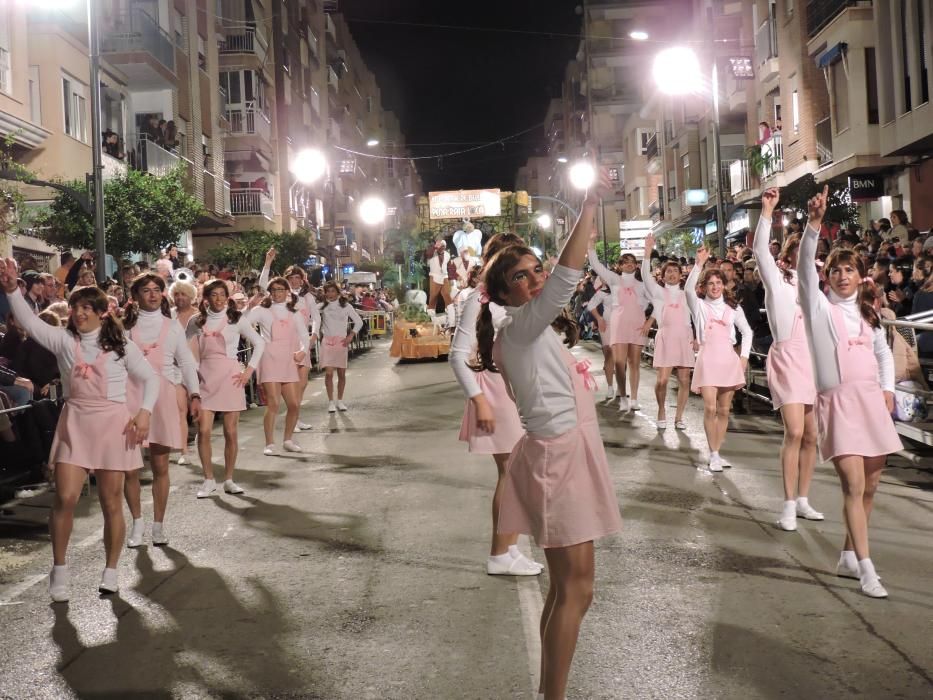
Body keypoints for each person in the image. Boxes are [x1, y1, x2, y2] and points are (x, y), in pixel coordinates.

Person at [474, 170, 621, 700]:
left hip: (566, 453)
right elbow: (567, 278)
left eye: (537, 269)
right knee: (576, 589)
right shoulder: (523, 328)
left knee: (566, 589)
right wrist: (587, 206)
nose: (537, 278)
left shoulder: (525, 332)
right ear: (502, 292)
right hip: (558, 460)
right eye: (523, 275)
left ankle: (546, 692)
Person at [0, 259, 159, 601]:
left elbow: (149, 379)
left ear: (102, 313)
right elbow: (28, 320)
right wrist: (13, 289)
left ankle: (111, 570)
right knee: (66, 497)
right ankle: (59, 570)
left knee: (110, 501)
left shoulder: (121, 346)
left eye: (87, 308)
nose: (79, 313)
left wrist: (143, 413)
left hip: (113, 425)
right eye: (75, 307)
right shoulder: (61, 341)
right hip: (75, 422)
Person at [798, 186, 902, 599]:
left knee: (871, 488)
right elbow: (806, 269)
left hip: (871, 405)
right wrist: (813, 225)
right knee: (854, 488)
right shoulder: (818, 308)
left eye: (850, 270)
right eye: (836, 270)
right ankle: (867, 569)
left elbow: (885, 354)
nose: (843, 276)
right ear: (828, 277)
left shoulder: (868, 314)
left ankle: (847, 554)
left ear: (861, 276)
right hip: (838, 406)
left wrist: (888, 389)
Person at [449, 232, 543, 577]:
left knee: (518, 475)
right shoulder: (481, 297)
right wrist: (479, 402)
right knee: (513, 474)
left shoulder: (522, 295)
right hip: (495, 391)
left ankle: (509, 547)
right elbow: (458, 357)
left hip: (516, 390)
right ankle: (500, 553)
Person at [753, 188, 822, 531]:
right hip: (786, 357)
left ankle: (805, 499)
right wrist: (767, 211)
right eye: (795, 252)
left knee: (811, 436)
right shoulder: (776, 283)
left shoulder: (813, 287)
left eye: (807, 254)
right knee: (794, 431)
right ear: (787, 256)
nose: (802, 258)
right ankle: (788, 505)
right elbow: (758, 250)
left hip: (811, 359)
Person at [121, 273, 201, 547]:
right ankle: (137, 523)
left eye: (157, 290)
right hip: (131, 397)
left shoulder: (173, 327)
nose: (153, 294)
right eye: (146, 290)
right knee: (129, 468)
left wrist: (195, 393)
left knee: (160, 465)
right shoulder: (124, 328)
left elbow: (187, 363)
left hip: (164, 396)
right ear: (136, 296)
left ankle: (158, 525)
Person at [189, 280, 265, 497]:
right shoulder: (197, 321)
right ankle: (208, 480)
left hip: (231, 377)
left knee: (230, 432)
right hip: (205, 378)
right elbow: (182, 348)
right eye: (214, 294)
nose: (219, 299)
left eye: (222, 294)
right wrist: (193, 370)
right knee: (203, 431)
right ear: (206, 298)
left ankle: (229, 479)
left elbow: (259, 343)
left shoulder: (236, 318)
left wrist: (248, 372)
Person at [685, 249, 753, 471]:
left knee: (724, 410)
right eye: (711, 283)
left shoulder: (732, 308)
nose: (715, 287)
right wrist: (699, 264)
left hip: (728, 360)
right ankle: (713, 453)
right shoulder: (699, 306)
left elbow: (748, 332)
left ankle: (717, 451)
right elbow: (687, 289)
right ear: (705, 286)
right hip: (707, 360)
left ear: (724, 285)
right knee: (710, 408)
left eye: (718, 283)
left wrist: (743, 357)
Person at [258, 251, 321, 431]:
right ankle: (287, 422)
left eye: (297, 277)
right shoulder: (281, 296)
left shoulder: (308, 297)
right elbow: (263, 287)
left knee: (302, 384)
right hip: (284, 345)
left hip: (302, 343)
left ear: (302, 279)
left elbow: (316, 317)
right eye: (291, 277)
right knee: (286, 387)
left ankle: (295, 417)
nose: (294, 281)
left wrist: (314, 335)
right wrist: (268, 262)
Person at [248, 276, 308, 454]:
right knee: (273, 403)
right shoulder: (261, 310)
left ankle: (288, 440)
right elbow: (243, 323)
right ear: (270, 292)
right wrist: (257, 341)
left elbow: (304, 335)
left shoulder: (294, 312)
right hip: (269, 359)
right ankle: (269, 443)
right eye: (273, 290)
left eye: (280, 289)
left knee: (294, 404)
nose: (277, 293)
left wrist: (303, 350)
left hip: (289, 360)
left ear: (287, 291)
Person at [641, 234, 694, 430]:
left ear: (681, 275)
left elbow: (696, 318)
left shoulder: (687, 294)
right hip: (666, 337)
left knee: (684, 379)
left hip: (684, 337)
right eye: (668, 272)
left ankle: (679, 417)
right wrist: (647, 251)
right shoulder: (658, 292)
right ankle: (661, 409)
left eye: (675, 271)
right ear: (662, 276)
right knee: (662, 380)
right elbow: (646, 276)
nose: (672, 274)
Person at [586, 249, 649, 412]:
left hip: (637, 324)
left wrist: (646, 315)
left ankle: (634, 399)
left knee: (634, 363)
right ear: (619, 266)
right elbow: (596, 264)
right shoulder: (614, 279)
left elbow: (653, 300)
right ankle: (622, 396)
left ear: (636, 265)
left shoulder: (642, 285)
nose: (629, 264)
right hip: (618, 323)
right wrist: (590, 244)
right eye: (625, 262)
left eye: (632, 262)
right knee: (620, 363)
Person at [317, 282, 363, 413]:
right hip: (327, 342)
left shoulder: (346, 306)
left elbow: (358, 321)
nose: (330, 294)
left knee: (342, 374)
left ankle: (340, 400)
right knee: (329, 373)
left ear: (337, 292)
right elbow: (309, 314)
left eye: (332, 291)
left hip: (341, 343)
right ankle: (331, 402)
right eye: (327, 291)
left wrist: (351, 336)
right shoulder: (321, 306)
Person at [170, 279, 199, 465]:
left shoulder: (199, 317)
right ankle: (184, 450)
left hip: (196, 367)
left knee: (197, 409)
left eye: (184, 294)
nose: (180, 298)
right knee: (180, 410)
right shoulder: (168, 316)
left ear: (191, 296)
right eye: (177, 294)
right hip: (174, 368)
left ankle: (201, 439)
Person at [584, 281, 616, 401]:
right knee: (609, 355)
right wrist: (599, 318)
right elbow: (591, 305)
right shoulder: (602, 293)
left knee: (621, 358)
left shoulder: (623, 290)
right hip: (606, 326)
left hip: (622, 327)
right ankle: (610, 387)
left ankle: (621, 388)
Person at [426, 240, 452, 311]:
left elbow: (449, 267)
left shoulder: (447, 254)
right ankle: (431, 313)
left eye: (443, 246)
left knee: (447, 294)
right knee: (433, 296)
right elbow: (428, 254)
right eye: (441, 246)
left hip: (444, 276)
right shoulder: (432, 253)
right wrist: (435, 247)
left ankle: (450, 312)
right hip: (434, 276)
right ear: (438, 247)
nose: (442, 248)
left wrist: (451, 278)